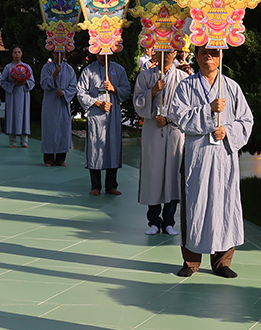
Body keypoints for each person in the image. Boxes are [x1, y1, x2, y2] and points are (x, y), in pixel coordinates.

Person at [169, 46, 252, 276]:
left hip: (224, 156)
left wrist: (228, 131)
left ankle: (222, 262)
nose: (209, 56)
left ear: (221, 56)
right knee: (194, 203)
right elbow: (180, 118)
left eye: (214, 52)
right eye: (204, 52)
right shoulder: (186, 86)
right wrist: (209, 110)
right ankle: (191, 262)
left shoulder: (231, 87)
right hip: (197, 156)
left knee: (224, 203)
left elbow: (246, 120)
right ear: (196, 56)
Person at [134, 49, 189, 233]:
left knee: (173, 173)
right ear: (154, 54)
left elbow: (187, 107)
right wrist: (153, 91)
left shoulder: (183, 78)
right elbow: (137, 103)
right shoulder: (145, 77)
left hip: (174, 131)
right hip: (153, 130)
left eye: (169, 51)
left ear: (175, 53)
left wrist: (169, 119)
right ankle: (153, 221)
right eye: (160, 51)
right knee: (154, 173)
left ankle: (169, 221)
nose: (165, 55)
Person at [78, 55, 131, 195]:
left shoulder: (119, 70)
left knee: (112, 146)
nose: (102, 56)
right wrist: (97, 103)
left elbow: (126, 90)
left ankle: (111, 185)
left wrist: (113, 88)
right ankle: (95, 185)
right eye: (100, 53)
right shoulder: (88, 70)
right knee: (95, 146)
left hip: (113, 114)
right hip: (96, 114)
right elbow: (81, 92)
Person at [39, 55, 77, 166]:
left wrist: (64, 93)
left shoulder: (70, 69)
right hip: (50, 103)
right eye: (56, 53)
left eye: (61, 53)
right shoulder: (46, 68)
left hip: (62, 104)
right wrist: (55, 73)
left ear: (64, 54)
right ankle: (48, 158)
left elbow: (73, 87)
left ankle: (61, 158)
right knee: (49, 129)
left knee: (62, 129)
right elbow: (44, 84)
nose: (58, 55)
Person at [0, 46, 35, 147]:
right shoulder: (8, 67)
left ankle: (24, 141)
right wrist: (13, 84)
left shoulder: (27, 67)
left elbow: (32, 81)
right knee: (12, 115)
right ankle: (13, 141)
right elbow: (3, 81)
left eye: (19, 52)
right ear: (12, 54)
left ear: (22, 54)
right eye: (15, 52)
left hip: (23, 95)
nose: (17, 54)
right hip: (12, 95)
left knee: (24, 116)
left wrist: (25, 82)